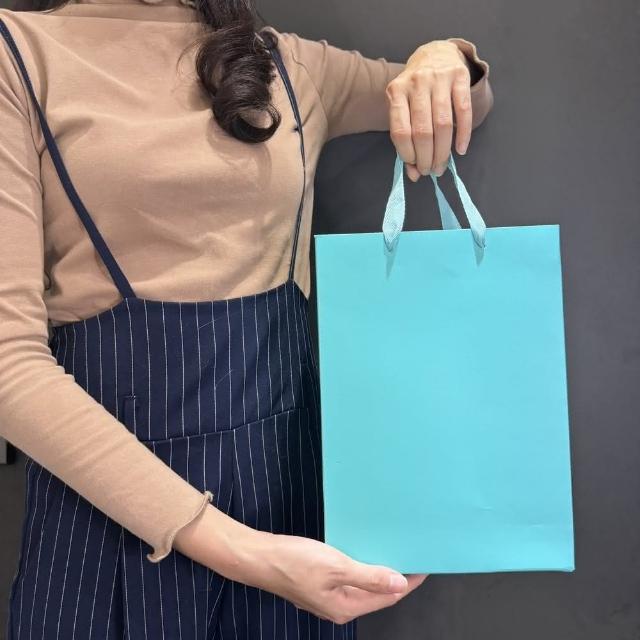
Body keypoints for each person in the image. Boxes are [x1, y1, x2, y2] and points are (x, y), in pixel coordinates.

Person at [0, 0, 494, 636]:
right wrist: (247, 554)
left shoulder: (282, 60)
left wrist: (443, 56)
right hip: (112, 515)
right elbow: (9, 364)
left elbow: (463, 102)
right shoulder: (18, 53)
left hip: (287, 507)